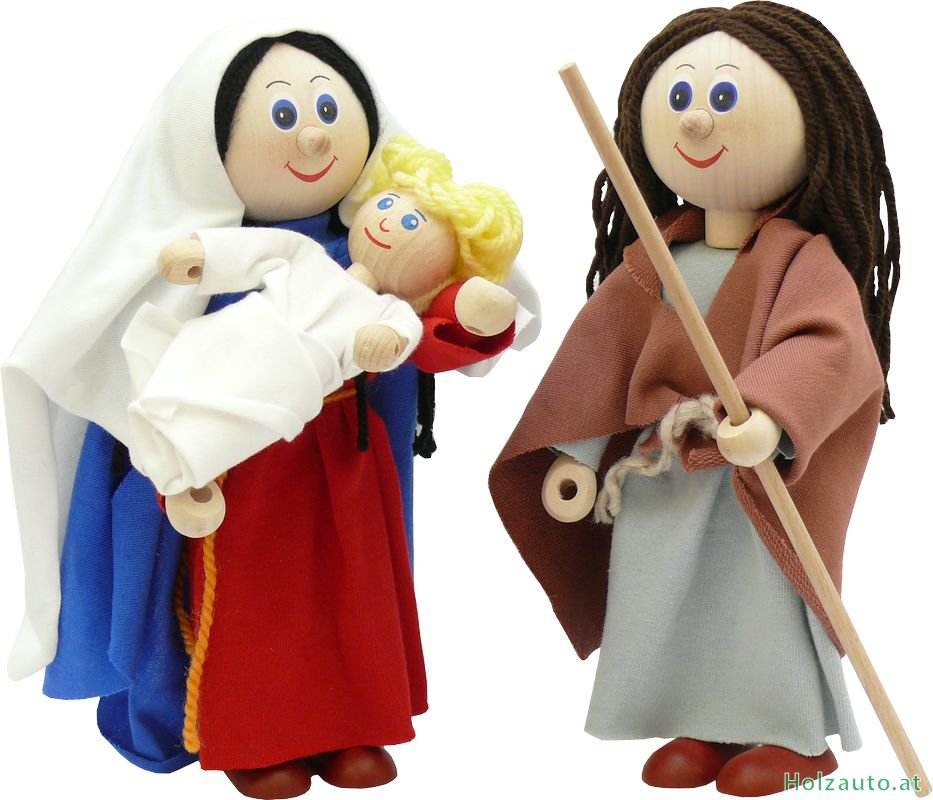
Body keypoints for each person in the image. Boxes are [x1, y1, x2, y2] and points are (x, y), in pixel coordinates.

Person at [3, 25, 535, 799]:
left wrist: (474, 316)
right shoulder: (248, 261)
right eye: (284, 115)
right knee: (256, 603)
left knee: (354, 594)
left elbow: (428, 328)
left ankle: (352, 727)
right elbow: (165, 361)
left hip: (348, 468)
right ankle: (257, 737)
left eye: (328, 110)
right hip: (249, 472)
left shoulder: (378, 253)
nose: (313, 135)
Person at [489, 3, 898, 796]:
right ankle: (698, 721)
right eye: (678, 99)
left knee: (758, 599)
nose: (698, 121)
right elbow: (599, 361)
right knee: (662, 596)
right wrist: (576, 456)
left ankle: (788, 735)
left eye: (724, 99)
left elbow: (830, 346)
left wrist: (770, 415)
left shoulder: (800, 262)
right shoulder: (653, 263)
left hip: (754, 478)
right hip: (665, 473)